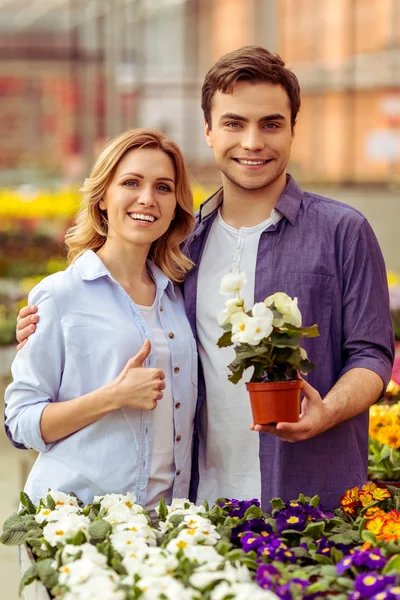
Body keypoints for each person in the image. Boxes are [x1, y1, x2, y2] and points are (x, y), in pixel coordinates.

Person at [16, 47, 394, 511]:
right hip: (200, 507)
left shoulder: (343, 231)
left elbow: (372, 353)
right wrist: (48, 325)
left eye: (271, 124)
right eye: (235, 123)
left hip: (312, 497)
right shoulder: (180, 245)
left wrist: (328, 410)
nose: (253, 142)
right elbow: (125, 308)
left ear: (294, 129)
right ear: (209, 132)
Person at [6, 129, 198, 508]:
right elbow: (21, 422)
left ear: (176, 204)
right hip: (79, 524)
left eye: (163, 187)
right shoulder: (60, 294)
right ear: (103, 198)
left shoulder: (177, 296)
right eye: (131, 182)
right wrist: (114, 396)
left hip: (165, 522)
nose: (148, 198)